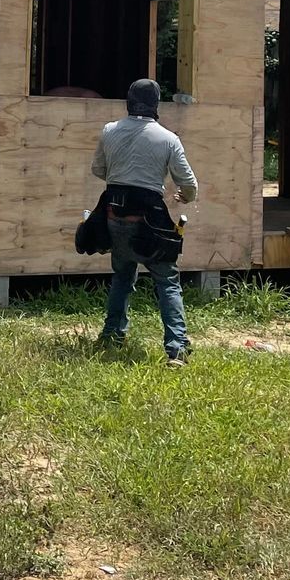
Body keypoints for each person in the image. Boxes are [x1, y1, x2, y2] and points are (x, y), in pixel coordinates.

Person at [91, 78, 199, 365]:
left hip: (114, 218)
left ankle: (112, 334)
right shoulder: (168, 139)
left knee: (122, 277)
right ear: (156, 105)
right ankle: (176, 349)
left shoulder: (109, 131)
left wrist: (122, 181)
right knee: (167, 281)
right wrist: (184, 197)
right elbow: (188, 183)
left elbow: (98, 169)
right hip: (150, 225)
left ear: (128, 102)